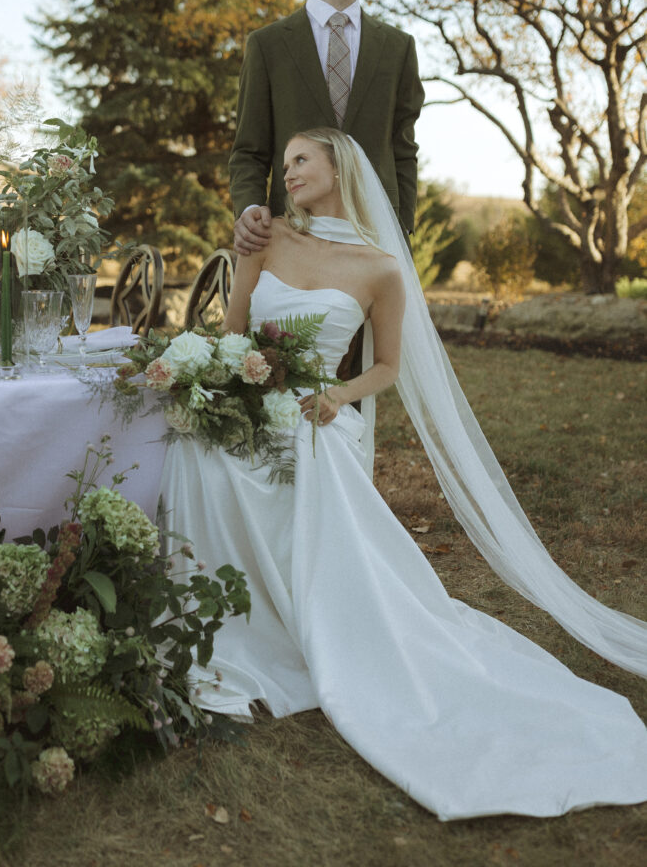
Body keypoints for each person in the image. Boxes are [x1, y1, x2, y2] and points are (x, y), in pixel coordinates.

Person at [160, 128, 647, 821]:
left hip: (315, 410)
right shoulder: (265, 240)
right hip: (248, 397)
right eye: (286, 161)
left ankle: (304, 627)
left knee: (293, 459)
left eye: (302, 160)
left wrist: (337, 395)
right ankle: (220, 621)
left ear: (339, 168)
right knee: (194, 451)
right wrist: (218, 376)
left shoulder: (381, 268)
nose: (288, 172)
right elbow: (233, 328)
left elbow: (385, 366)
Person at [229, 0, 425, 256]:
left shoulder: (398, 48)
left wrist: (402, 226)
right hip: (290, 242)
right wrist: (251, 210)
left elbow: (403, 150)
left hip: (376, 245)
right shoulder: (267, 46)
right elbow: (249, 152)